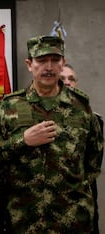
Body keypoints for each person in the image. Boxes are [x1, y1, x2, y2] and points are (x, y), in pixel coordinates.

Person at [0, 35, 103, 233]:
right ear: (29, 64)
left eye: (55, 60)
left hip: (73, 221)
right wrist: (23, 141)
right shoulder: (10, 105)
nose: (49, 67)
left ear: (62, 63)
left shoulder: (81, 107)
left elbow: (93, 162)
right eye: (41, 60)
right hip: (23, 221)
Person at [59, 63, 103, 234]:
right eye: (62, 78)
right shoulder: (40, 117)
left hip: (81, 204)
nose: (67, 82)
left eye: (71, 79)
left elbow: (93, 166)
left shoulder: (93, 120)